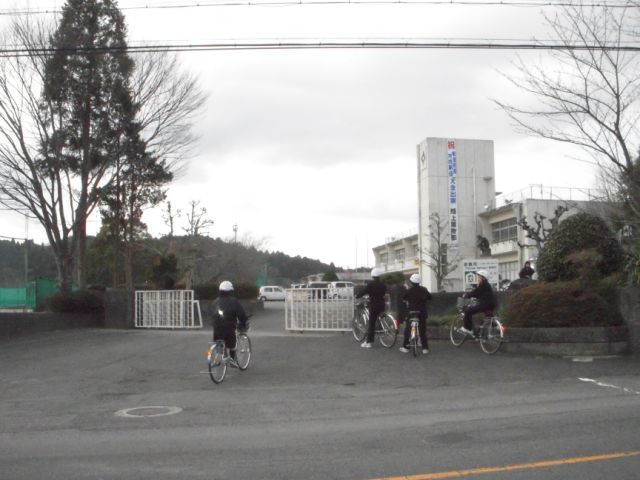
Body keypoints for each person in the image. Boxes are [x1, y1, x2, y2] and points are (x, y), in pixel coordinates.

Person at [209, 280, 249, 363]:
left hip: (216, 327)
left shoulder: (215, 301)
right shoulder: (234, 301)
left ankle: (221, 355)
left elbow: (211, 313)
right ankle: (232, 359)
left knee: (220, 341)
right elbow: (241, 314)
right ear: (231, 291)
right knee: (232, 344)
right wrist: (244, 321)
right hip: (229, 327)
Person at [400, 274, 432, 354]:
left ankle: (406, 347)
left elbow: (403, 299)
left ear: (411, 282)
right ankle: (425, 348)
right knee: (422, 330)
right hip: (422, 312)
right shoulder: (424, 289)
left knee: (408, 329)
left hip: (411, 312)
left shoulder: (409, 291)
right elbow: (430, 297)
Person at [355, 267, 387, 348]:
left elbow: (364, 291)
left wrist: (358, 296)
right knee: (379, 319)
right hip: (382, 304)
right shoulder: (383, 285)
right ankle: (380, 332)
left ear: (373, 275)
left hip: (373, 305)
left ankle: (369, 342)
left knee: (371, 323)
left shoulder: (371, 284)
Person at [459, 270, 496, 336]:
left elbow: (475, 292)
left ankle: (468, 329)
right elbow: (478, 293)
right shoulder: (487, 285)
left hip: (484, 305)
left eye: (479, 277)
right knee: (487, 317)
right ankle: (482, 334)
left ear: (483, 278)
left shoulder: (483, 285)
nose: (477, 279)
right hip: (491, 305)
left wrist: (466, 295)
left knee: (468, 311)